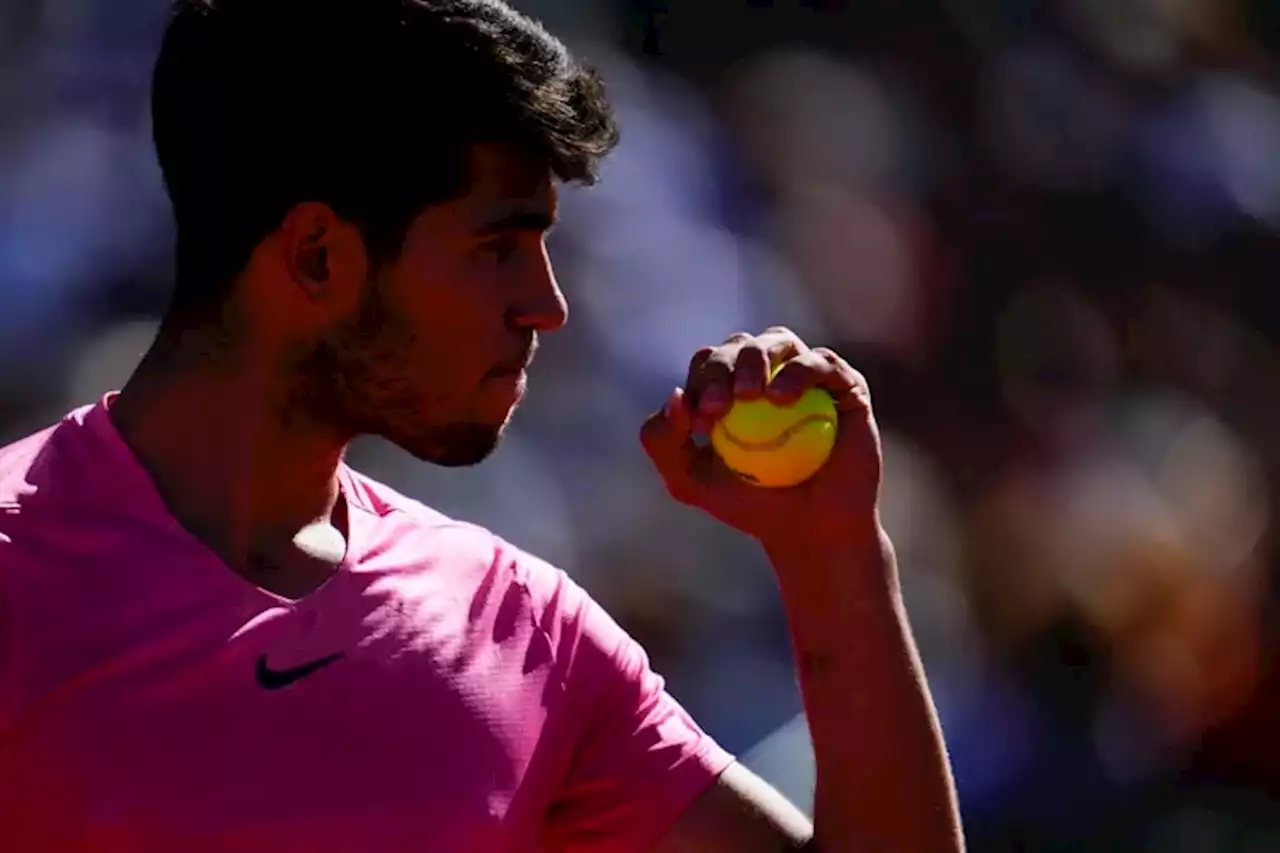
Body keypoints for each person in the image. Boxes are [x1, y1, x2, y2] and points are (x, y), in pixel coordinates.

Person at [0, 1, 963, 850]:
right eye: (497, 247)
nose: (547, 306)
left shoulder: (525, 631)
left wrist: (831, 551)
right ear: (319, 257)